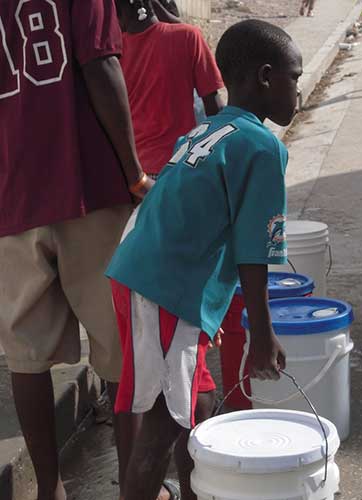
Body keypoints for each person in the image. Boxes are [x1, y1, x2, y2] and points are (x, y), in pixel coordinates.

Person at [105, 19, 303, 500]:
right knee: (162, 422)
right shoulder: (262, 146)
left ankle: (197, 491)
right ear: (264, 76)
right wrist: (263, 334)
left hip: (145, 275)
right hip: (166, 288)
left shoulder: (205, 131)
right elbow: (255, 252)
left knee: (200, 398)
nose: (296, 90)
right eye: (293, 78)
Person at [0, 1, 153, 500]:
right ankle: (134, 487)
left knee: (25, 351)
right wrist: (134, 173)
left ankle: (50, 489)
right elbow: (100, 65)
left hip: (12, 195)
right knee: (118, 346)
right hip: (86, 183)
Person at [115, 0, 224, 180]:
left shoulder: (114, 55)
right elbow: (215, 109)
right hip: (183, 167)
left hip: (136, 174)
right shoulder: (188, 36)